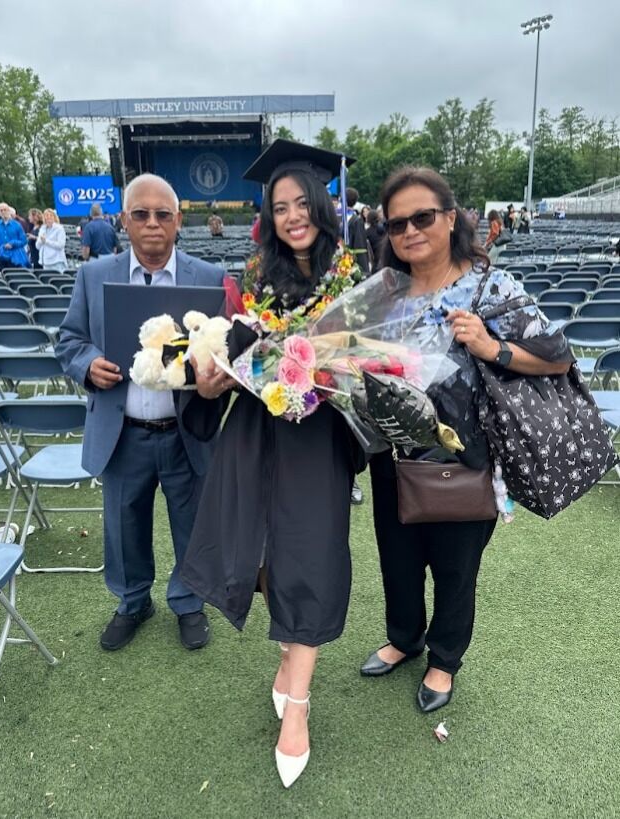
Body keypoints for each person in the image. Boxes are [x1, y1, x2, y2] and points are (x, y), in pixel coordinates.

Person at [181, 140, 365, 788]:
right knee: (260, 553)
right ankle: (289, 656)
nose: (292, 216)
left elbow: (367, 362)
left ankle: (299, 705)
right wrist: (212, 374)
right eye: (279, 207)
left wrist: (335, 367)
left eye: (301, 203)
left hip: (317, 439)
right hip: (257, 433)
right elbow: (231, 350)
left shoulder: (353, 277)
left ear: (321, 204)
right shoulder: (256, 276)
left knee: (309, 556)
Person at [360, 166, 573, 713]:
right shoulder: (384, 293)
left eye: (423, 217)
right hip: (392, 455)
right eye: (397, 223)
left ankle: (444, 659)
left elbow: (558, 358)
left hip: (464, 458)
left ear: (451, 218)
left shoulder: (491, 287)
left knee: (456, 570)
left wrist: (491, 347)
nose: (410, 231)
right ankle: (404, 638)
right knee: (397, 560)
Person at [55, 174, 224, 653]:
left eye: (163, 214)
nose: (152, 223)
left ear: (178, 221)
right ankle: (132, 601)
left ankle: (188, 602)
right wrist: (88, 365)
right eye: (141, 214)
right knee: (124, 526)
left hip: (185, 429)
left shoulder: (208, 278)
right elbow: (69, 340)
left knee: (191, 523)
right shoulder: (93, 276)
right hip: (122, 430)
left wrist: (212, 369)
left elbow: (225, 348)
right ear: (124, 221)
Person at [0, 202, 29, 270]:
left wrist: (13, 243)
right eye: (1, 210)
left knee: (13, 274)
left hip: (15, 255)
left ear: (9, 211)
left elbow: (24, 241)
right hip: (0, 255)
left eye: (5, 210)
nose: (3, 212)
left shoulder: (17, 225)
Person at [345, 187, 370, 275]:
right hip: (348, 263)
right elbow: (360, 245)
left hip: (348, 263)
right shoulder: (356, 220)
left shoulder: (355, 220)